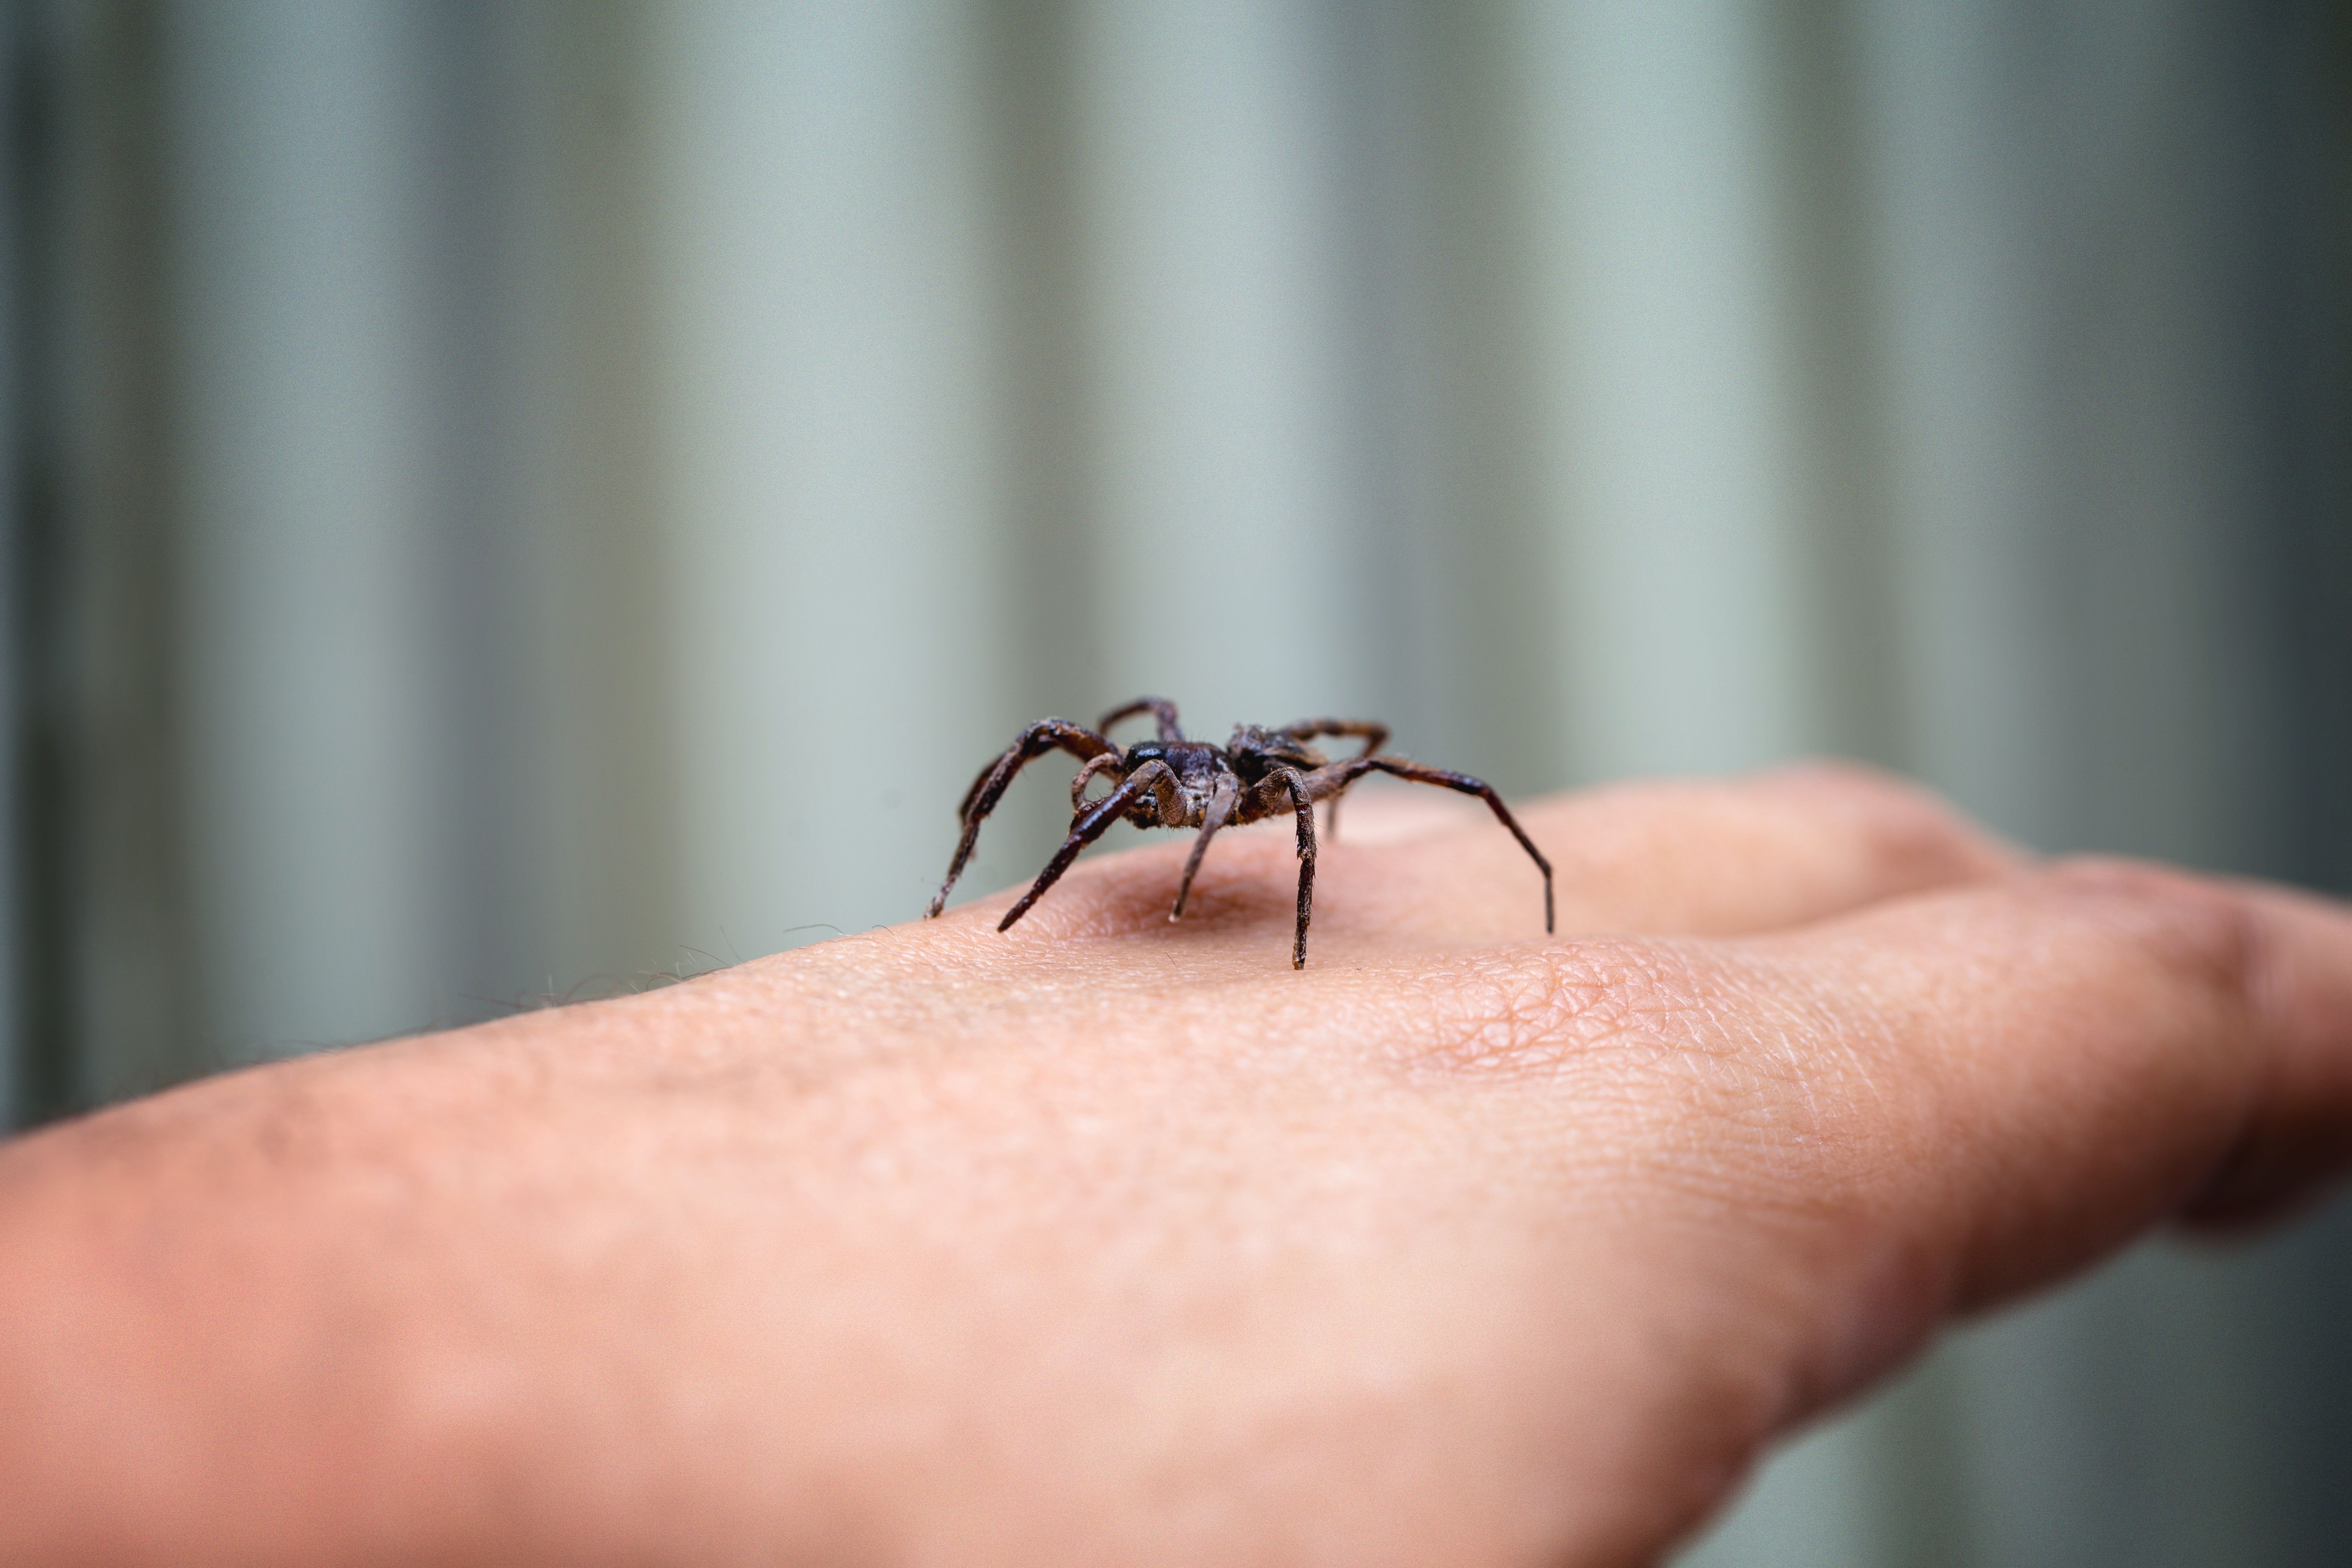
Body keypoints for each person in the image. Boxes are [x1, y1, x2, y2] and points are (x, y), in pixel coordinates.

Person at [1, 764, 2346, 1566]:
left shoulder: (1290, 789)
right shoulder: (1149, 781)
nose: (1183, 809)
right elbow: (1084, 762)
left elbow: (1358, 783)